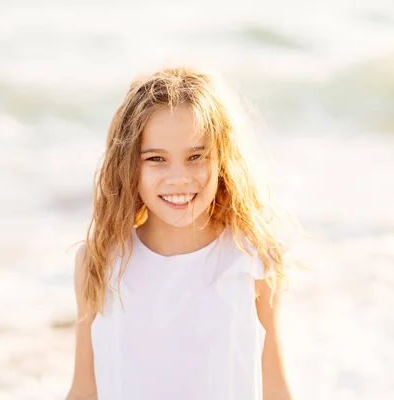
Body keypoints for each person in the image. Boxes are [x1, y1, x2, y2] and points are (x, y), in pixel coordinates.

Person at [66, 66, 303, 400]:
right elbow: (83, 390)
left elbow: (276, 388)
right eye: (156, 159)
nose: (179, 177)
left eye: (196, 156)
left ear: (222, 160)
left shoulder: (252, 257)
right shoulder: (100, 260)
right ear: (128, 164)